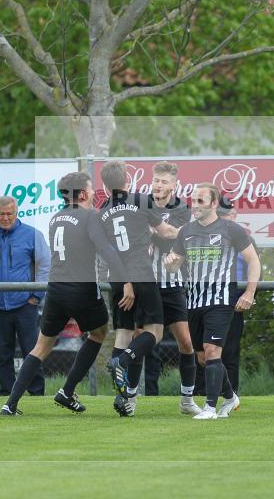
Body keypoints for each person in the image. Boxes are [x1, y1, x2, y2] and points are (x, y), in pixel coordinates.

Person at [0, 171, 133, 416]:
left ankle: (10, 404)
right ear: (82, 194)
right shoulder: (90, 217)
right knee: (99, 333)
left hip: (56, 290)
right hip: (81, 289)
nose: (94, 193)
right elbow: (106, 250)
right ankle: (67, 391)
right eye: (91, 189)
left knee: (41, 346)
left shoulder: (56, 218)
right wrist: (125, 280)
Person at [165, 183, 260, 420]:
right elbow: (176, 262)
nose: (194, 206)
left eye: (200, 201)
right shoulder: (186, 231)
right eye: (193, 200)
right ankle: (230, 398)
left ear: (214, 203)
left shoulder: (231, 229)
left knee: (212, 350)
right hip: (194, 300)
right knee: (202, 357)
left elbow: (254, 261)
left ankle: (209, 407)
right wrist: (171, 263)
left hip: (221, 299)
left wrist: (249, 293)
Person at [97, 160, 178, 417]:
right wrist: (188, 232)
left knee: (123, 333)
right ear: (127, 181)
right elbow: (165, 232)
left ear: (105, 185)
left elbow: (109, 250)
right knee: (155, 332)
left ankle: (124, 401)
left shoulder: (103, 209)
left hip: (117, 277)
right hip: (140, 273)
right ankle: (122, 361)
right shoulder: (142, 200)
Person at [0, 196, 51, 397]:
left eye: (9, 214)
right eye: (2, 214)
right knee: (3, 354)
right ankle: (7, 394)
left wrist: (36, 296)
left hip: (26, 305)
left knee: (32, 352)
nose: (6, 218)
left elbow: (45, 266)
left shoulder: (32, 235)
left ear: (16, 213)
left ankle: (36, 393)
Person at [144, 161, 202, 414]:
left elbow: (177, 239)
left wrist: (152, 231)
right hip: (146, 283)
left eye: (164, 181)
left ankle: (187, 401)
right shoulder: (142, 204)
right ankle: (131, 398)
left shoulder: (180, 208)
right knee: (144, 341)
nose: (159, 185)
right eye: (156, 180)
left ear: (174, 185)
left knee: (187, 343)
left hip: (172, 283)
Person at [215, 199, 252, 394]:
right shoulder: (206, 236)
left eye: (227, 215)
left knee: (230, 353)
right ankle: (205, 394)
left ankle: (231, 395)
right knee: (206, 352)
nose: (223, 219)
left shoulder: (244, 238)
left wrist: (248, 294)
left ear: (235, 216)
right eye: (220, 215)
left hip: (233, 304)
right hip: (208, 302)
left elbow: (255, 270)